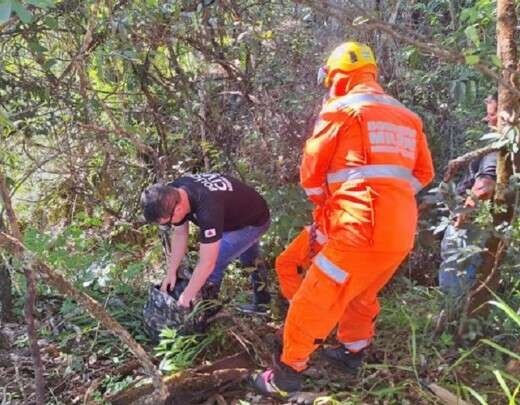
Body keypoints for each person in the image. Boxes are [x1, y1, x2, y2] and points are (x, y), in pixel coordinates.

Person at [250, 41, 435, 397]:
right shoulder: (408, 117)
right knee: (361, 293)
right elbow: (423, 174)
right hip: (399, 232)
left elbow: (311, 173)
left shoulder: (341, 110)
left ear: (337, 77)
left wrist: (331, 207)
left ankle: (286, 373)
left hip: (356, 227)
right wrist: (392, 200)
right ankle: (354, 350)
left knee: (314, 298)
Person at [140, 173, 271, 316]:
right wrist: (171, 271)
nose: (170, 224)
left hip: (254, 221)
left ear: (177, 210)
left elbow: (208, 263)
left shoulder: (208, 209)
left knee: (217, 260)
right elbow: (180, 233)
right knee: (250, 259)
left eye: (167, 222)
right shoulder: (171, 194)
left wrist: (186, 297)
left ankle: (207, 311)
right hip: (236, 214)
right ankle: (263, 303)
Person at [438, 95, 498, 304]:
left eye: (492, 115)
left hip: (470, 224)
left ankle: (451, 318)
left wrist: (464, 214)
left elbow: (484, 186)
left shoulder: (495, 152)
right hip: (479, 222)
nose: (487, 120)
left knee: (456, 269)